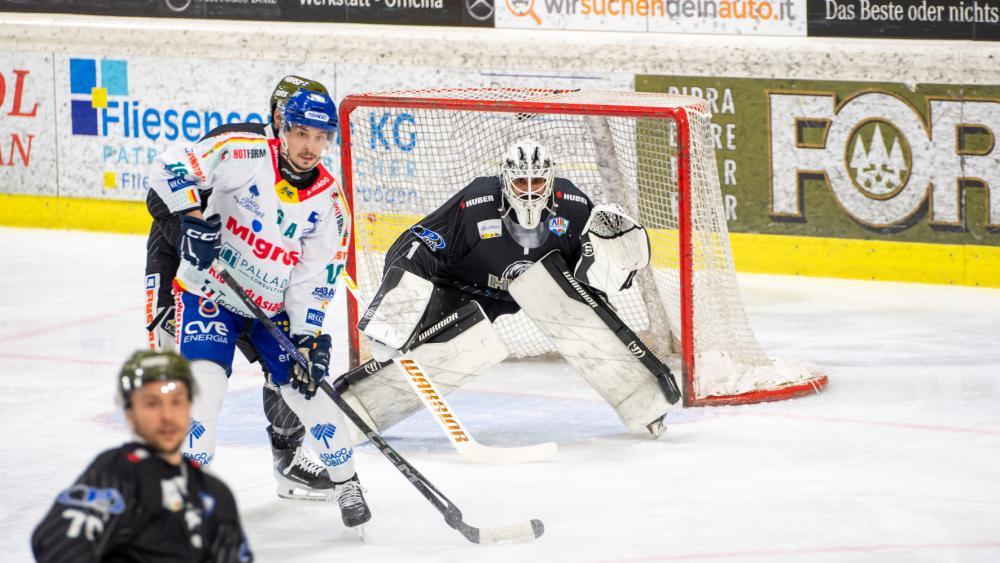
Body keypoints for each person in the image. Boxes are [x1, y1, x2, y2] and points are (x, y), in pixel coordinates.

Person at [147, 88, 370, 528]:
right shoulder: (242, 153)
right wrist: (192, 218)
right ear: (282, 129)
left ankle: (347, 482)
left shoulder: (330, 203)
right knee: (204, 389)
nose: (309, 146)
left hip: (271, 307)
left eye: (320, 137)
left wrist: (306, 337)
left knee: (307, 391)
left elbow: (314, 279)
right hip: (208, 294)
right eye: (301, 133)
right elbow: (170, 166)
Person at [339, 137, 664, 436]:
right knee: (433, 346)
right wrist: (395, 315)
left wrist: (614, 259)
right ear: (505, 179)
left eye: (537, 182)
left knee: (588, 317)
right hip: (468, 287)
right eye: (521, 182)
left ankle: (644, 401)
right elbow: (419, 244)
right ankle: (360, 408)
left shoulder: (574, 205)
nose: (529, 191)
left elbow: (592, 272)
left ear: (550, 179)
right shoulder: (476, 202)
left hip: (546, 288)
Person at [31, 350, 253, 562]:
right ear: (130, 413)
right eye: (152, 404)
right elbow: (56, 543)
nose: (167, 416)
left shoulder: (215, 494)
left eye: (176, 402)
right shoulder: (114, 475)